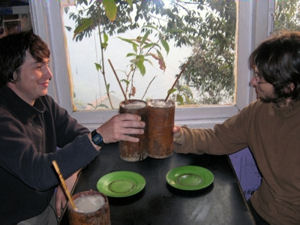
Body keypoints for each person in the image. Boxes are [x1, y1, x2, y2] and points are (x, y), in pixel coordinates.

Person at [0, 31, 145, 225]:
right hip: (21, 218)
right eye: (38, 67)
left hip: (49, 203)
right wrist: (99, 136)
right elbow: (38, 173)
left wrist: (69, 174)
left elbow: (79, 135)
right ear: (12, 73)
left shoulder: (44, 104)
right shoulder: (3, 119)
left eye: (48, 64)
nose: (49, 74)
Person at [173, 31, 300, 225]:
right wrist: (180, 135)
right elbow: (218, 138)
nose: (252, 82)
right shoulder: (258, 112)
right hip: (258, 211)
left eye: (260, 78)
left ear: (288, 87)